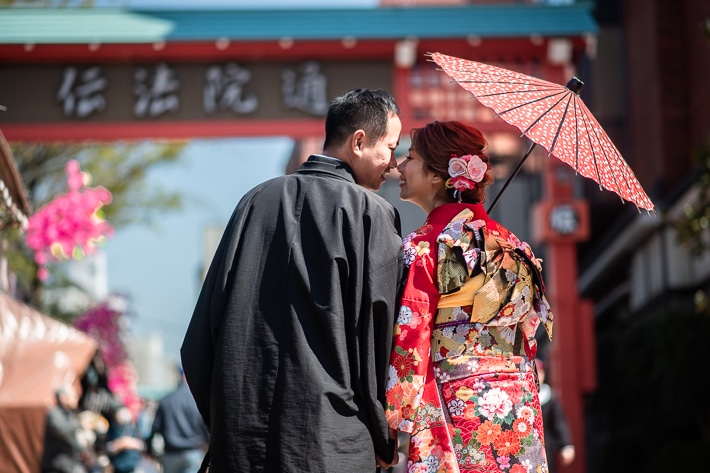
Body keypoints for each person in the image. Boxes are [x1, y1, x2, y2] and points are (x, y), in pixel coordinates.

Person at [181, 88, 405, 472]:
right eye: (391, 147)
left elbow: (199, 340)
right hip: (333, 443)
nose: (395, 163)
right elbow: (379, 334)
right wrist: (382, 434)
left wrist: (228, 425)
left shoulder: (254, 202)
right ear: (359, 141)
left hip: (241, 447)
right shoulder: (370, 213)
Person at [384, 120, 554, 472]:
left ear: (437, 175)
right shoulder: (514, 246)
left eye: (410, 158)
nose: (399, 166)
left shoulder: (424, 247)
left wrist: (390, 424)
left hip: (454, 403)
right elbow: (528, 334)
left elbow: (410, 341)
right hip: (514, 405)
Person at [147, 373, 209, 473]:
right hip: (193, 452)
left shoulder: (166, 400)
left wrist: (149, 450)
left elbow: (155, 429)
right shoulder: (196, 400)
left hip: (171, 455)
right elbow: (204, 425)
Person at [40, 382, 93, 473]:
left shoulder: (71, 415)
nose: (76, 398)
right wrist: (80, 425)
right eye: (73, 396)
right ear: (63, 398)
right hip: (55, 466)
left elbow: (73, 438)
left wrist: (83, 450)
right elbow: (62, 430)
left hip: (70, 463)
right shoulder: (54, 413)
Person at [536, 359, 575, 473]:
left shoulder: (549, 398)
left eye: (540, 373)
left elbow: (559, 423)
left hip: (546, 448)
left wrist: (566, 445)